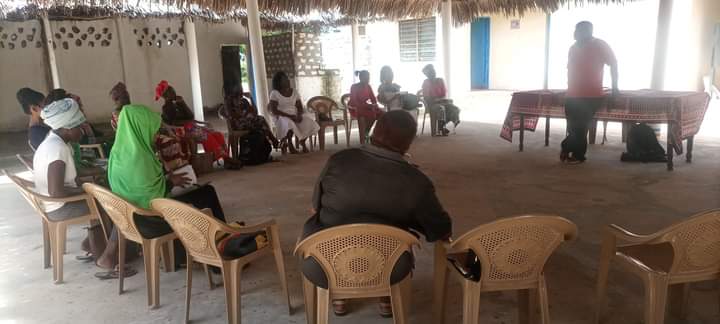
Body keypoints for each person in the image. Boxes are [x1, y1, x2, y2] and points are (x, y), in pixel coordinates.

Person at [302, 110, 453, 317]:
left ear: (374, 130)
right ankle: (385, 297)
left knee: (330, 227)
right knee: (387, 240)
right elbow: (440, 230)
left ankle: (339, 296)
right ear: (408, 143)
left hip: (321, 266)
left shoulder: (339, 160)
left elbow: (314, 207)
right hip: (389, 269)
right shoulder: (417, 182)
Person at [109, 105, 263, 264]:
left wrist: (167, 179)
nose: (155, 135)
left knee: (201, 193)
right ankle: (221, 252)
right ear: (140, 128)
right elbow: (155, 198)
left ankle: (221, 240)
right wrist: (171, 182)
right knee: (206, 195)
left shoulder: (118, 153)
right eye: (151, 129)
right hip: (152, 221)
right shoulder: (141, 159)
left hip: (132, 217)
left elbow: (141, 188)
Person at [33, 98, 132, 278]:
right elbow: (57, 192)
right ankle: (108, 257)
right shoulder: (58, 149)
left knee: (101, 195)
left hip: (50, 203)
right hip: (59, 207)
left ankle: (93, 246)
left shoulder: (53, 142)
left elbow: (71, 177)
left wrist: (99, 174)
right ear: (68, 128)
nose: (84, 130)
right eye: (80, 127)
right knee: (114, 204)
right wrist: (90, 189)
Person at [561, 21, 619, 164]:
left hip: (590, 95)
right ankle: (571, 151)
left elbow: (613, 64)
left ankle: (574, 152)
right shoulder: (572, 48)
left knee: (580, 127)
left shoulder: (599, 45)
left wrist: (615, 87)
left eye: (578, 29)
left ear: (588, 31)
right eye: (575, 29)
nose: (575, 32)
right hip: (572, 95)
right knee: (573, 127)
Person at [156, 80, 240, 169]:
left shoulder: (177, 104)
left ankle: (225, 158)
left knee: (217, 134)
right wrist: (188, 122)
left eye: (173, 90)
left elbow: (190, 116)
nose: (174, 92)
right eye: (171, 91)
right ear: (166, 96)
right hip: (181, 131)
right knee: (207, 136)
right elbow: (174, 122)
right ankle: (226, 159)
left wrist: (182, 103)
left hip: (190, 127)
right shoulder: (166, 108)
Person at [224, 82, 278, 164]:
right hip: (238, 125)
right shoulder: (228, 102)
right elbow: (231, 115)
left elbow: (255, 112)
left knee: (260, 120)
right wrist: (244, 116)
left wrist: (251, 98)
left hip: (249, 123)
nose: (240, 91)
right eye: (238, 89)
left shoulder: (244, 101)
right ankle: (273, 140)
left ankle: (263, 150)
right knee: (260, 122)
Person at [269, 71, 320, 154]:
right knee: (289, 123)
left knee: (309, 122)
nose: (287, 80)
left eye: (287, 78)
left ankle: (302, 141)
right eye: (284, 79)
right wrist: (289, 116)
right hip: (281, 116)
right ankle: (290, 144)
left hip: (294, 114)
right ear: (279, 82)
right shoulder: (274, 93)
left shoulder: (294, 91)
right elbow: (274, 110)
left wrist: (299, 115)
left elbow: (299, 106)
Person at [421, 64, 461, 136]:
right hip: (432, 104)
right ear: (427, 75)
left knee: (455, 109)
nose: (433, 73)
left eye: (433, 71)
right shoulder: (426, 83)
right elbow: (427, 97)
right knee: (440, 109)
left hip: (441, 101)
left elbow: (444, 93)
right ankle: (441, 129)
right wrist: (436, 100)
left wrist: (440, 99)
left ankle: (442, 126)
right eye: (430, 72)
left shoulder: (440, 80)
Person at [349, 70, 384, 144]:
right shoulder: (354, 87)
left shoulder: (368, 86)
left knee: (383, 114)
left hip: (367, 107)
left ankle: (375, 134)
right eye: (366, 78)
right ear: (361, 78)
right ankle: (365, 132)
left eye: (369, 77)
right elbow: (354, 101)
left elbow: (373, 99)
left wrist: (375, 105)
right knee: (372, 114)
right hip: (356, 108)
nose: (368, 79)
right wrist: (368, 106)